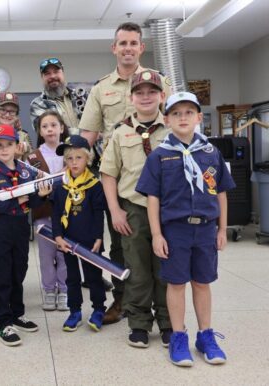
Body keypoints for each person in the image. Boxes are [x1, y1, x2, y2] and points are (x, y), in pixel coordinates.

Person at [80, 22, 173, 324]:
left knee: (163, 243)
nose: (128, 48)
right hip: (119, 179)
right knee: (122, 244)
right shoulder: (101, 88)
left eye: (134, 43)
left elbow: (177, 124)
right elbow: (88, 135)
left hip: (162, 180)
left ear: (141, 47)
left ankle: (166, 309)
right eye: (123, 43)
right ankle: (123, 301)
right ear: (114, 48)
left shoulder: (162, 82)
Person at [136, 92, 235, 367]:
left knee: (202, 282)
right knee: (177, 283)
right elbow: (152, 198)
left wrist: (222, 229)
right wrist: (156, 234)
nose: (182, 117)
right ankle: (179, 337)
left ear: (198, 118)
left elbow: (222, 194)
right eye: (176, 113)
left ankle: (206, 336)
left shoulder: (211, 152)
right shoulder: (159, 156)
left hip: (205, 230)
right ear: (166, 119)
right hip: (175, 231)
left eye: (188, 112)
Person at [99, 70, 172, 348]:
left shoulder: (173, 129)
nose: (145, 97)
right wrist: (115, 211)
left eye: (151, 92)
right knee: (137, 268)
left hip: (168, 209)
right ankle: (139, 322)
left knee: (166, 267)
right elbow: (108, 174)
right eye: (139, 92)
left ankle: (167, 320)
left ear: (161, 96)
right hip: (134, 209)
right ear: (131, 98)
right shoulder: (120, 132)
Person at [0, 124, 52, 346]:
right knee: (1, 276)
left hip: (20, 229)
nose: (4, 149)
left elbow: (33, 201)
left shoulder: (26, 172)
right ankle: (3, 322)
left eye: (9, 144)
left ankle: (17, 314)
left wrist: (42, 196)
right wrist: (12, 202)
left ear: (17, 146)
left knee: (19, 272)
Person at [51, 135, 107, 332]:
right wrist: (57, 236)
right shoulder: (60, 186)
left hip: (91, 240)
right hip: (68, 240)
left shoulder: (94, 185)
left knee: (94, 277)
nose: (74, 162)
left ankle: (99, 309)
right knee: (72, 278)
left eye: (78, 158)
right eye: (69, 158)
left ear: (88, 159)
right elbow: (56, 212)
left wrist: (99, 237)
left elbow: (99, 213)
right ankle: (74, 311)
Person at [28, 111, 68, 311]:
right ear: (40, 131)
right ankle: (49, 289)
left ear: (62, 127)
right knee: (46, 255)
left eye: (54, 125)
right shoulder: (32, 157)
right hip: (43, 212)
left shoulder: (71, 152)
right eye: (45, 126)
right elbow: (29, 188)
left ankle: (64, 289)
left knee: (64, 253)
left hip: (68, 214)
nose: (50, 129)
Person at [30, 57, 84, 136]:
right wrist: (86, 134)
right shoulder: (37, 104)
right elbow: (48, 131)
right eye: (47, 73)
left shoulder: (81, 96)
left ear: (63, 73)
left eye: (56, 71)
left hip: (90, 147)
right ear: (42, 77)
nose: (52, 76)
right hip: (60, 148)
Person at [0, 92, 33, 160]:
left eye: (12, 111)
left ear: (16, 115)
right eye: (3, 110)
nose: (7, 115)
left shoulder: (23, 136)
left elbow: (30, 165)